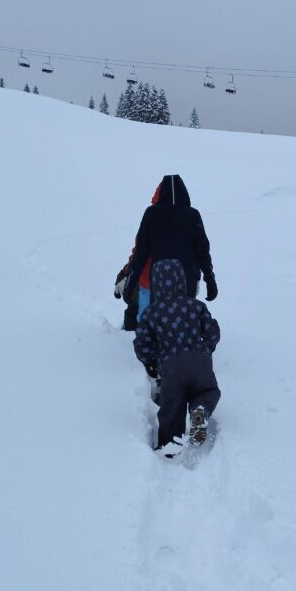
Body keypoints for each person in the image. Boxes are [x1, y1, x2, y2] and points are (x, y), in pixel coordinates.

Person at [134, 258, 221, 451]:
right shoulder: (196, 306)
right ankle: (200, 409)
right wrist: (206, 348)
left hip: (170, 365)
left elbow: (142, 343)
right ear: (182, 280)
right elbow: (212, 332)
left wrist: (150, 362)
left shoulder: (152, 312)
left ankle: (169, 447)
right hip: (199, 361)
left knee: (171, 408)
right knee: (207, 391)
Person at [123, 174, 217, 310]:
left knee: (160, 321)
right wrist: (209, 278)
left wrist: (130, 282)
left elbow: (141, 252)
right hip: (187, 280)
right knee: (184, 320)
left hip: (159, 279)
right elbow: (202, 252)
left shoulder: (152, 214)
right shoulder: (192, 215)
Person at [114, 182, 164, 329]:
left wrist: (125, 274)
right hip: (174, 285)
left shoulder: (150, 217)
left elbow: (138, 253)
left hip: (146, 283)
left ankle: (130, 332)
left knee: (135, 304)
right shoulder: (186, 219)